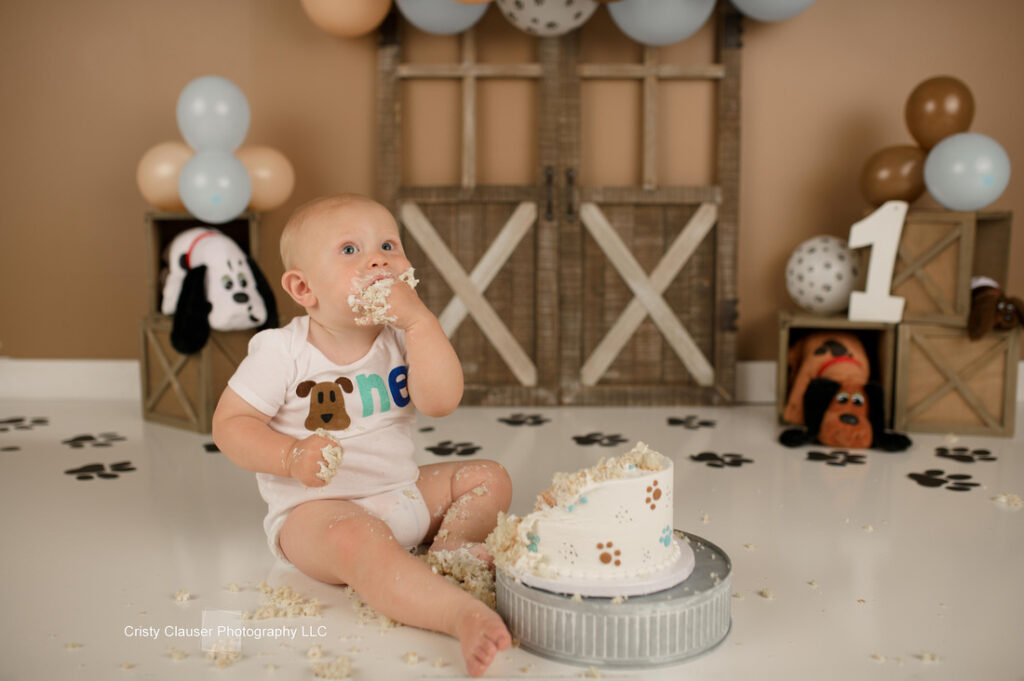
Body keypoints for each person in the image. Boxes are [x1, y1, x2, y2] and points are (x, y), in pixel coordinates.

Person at [212, 194, 513, 677]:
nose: (378, 260)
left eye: (388, 246)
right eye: (350, 250)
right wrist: (290, 456)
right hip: (318, 514)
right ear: (304, 288)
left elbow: (440, 402)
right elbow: (230, 425)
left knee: (489, 477)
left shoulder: (403, 336)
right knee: (357, 537)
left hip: (402, 492)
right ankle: (457, 613)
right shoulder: (282, 352)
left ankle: (449, 549)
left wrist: (420, 322)